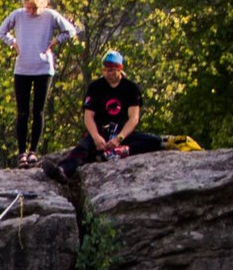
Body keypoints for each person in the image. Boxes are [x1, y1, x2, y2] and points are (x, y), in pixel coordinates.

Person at [40, 51, 162, 182]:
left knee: (153, 141)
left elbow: (134, 118)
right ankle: (63, 171)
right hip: (100, 130)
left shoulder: (131, 88)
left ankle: (116, 153)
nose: (108, 74)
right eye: (105, 70)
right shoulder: (95, 87)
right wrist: (96, 137)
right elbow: (88, 116)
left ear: (120, 69)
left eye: (112, 70)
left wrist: (119, 139)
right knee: (83, 148)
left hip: (121, 131)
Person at [0, 0, 82, 165]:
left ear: (41, 4)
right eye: (28, 7)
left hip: (43, 68)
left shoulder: (50, 15)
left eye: (34, 7)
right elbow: (1, 31)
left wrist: (56, 41)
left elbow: (71, 30)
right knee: (22, 112)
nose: (31, 11)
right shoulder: (17, 15)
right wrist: (13, 43)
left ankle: (33, 150)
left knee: (38, 111)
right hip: (22, 68)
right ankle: (21, 153)